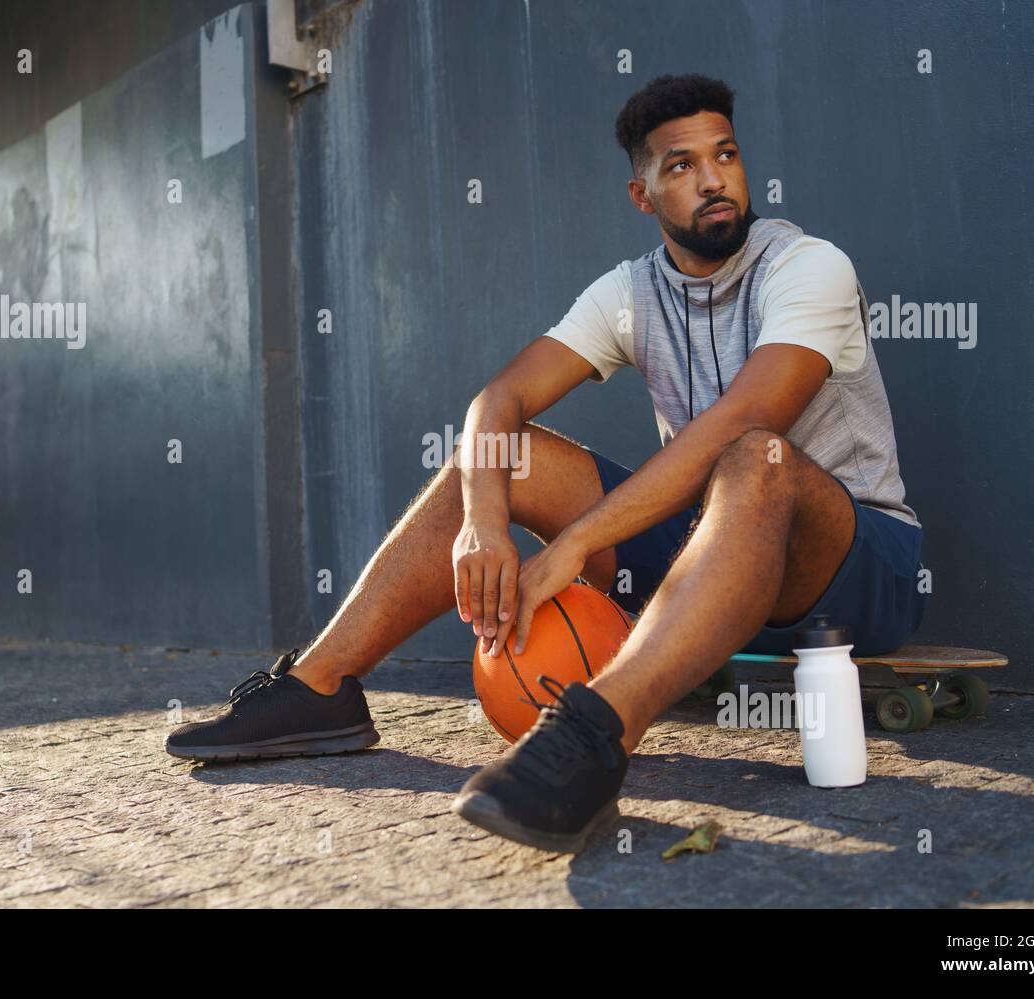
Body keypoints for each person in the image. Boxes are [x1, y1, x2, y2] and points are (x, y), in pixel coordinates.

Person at [165, 73, 927, 854]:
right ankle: (320, 688)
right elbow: (497, 401)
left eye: (725, 155)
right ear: (643, 195)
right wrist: (484, 526)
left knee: (755, 455)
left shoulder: (807, 266)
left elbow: (747, 419)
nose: (712, 179)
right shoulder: (632, 293)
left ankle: (593, 736)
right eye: (680, 166)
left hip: (853, 562)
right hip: (715, 545)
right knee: (502, 456)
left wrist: (571, 545)